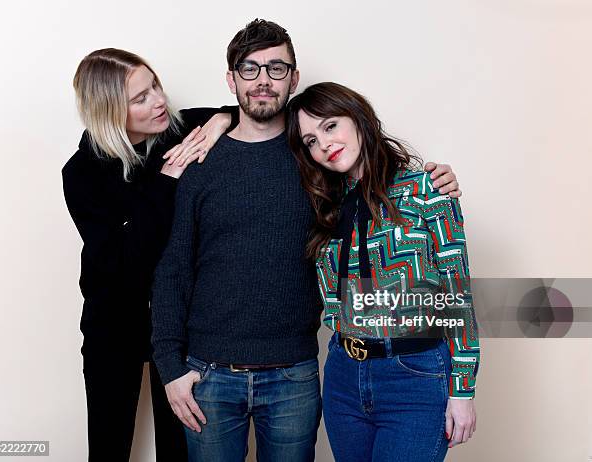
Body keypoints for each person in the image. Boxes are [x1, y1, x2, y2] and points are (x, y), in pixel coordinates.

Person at [151, 20, 462, 462]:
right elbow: (174, 268)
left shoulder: (318, 161)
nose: (263, 80)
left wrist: (434, 182)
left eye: (277, 68)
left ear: (294, 80)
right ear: (231, 80)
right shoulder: (199, 161)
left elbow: (379, 187)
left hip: (294, 376)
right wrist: (169, 366)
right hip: (208, 374)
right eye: (250, 69)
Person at [286, 81, 480, 461]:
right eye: (310, 140)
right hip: (343, 375)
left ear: (358, 119)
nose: (323, 144)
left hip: (415, 375)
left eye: (330, 126)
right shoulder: (324, 203)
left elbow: (457, 298)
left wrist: (462, 390)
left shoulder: (426, 189)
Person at [62, 48, 237, 461]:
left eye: (154, 85)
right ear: (109, 112)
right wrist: (166, 180)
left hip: (177, 321)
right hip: (113, 320)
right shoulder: (82, 173)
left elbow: (259, 109)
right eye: (140, 98)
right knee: (108, 445)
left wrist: (220, 121)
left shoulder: (179, 129)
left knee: (181, 447)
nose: (158, 100)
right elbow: (128, 262)